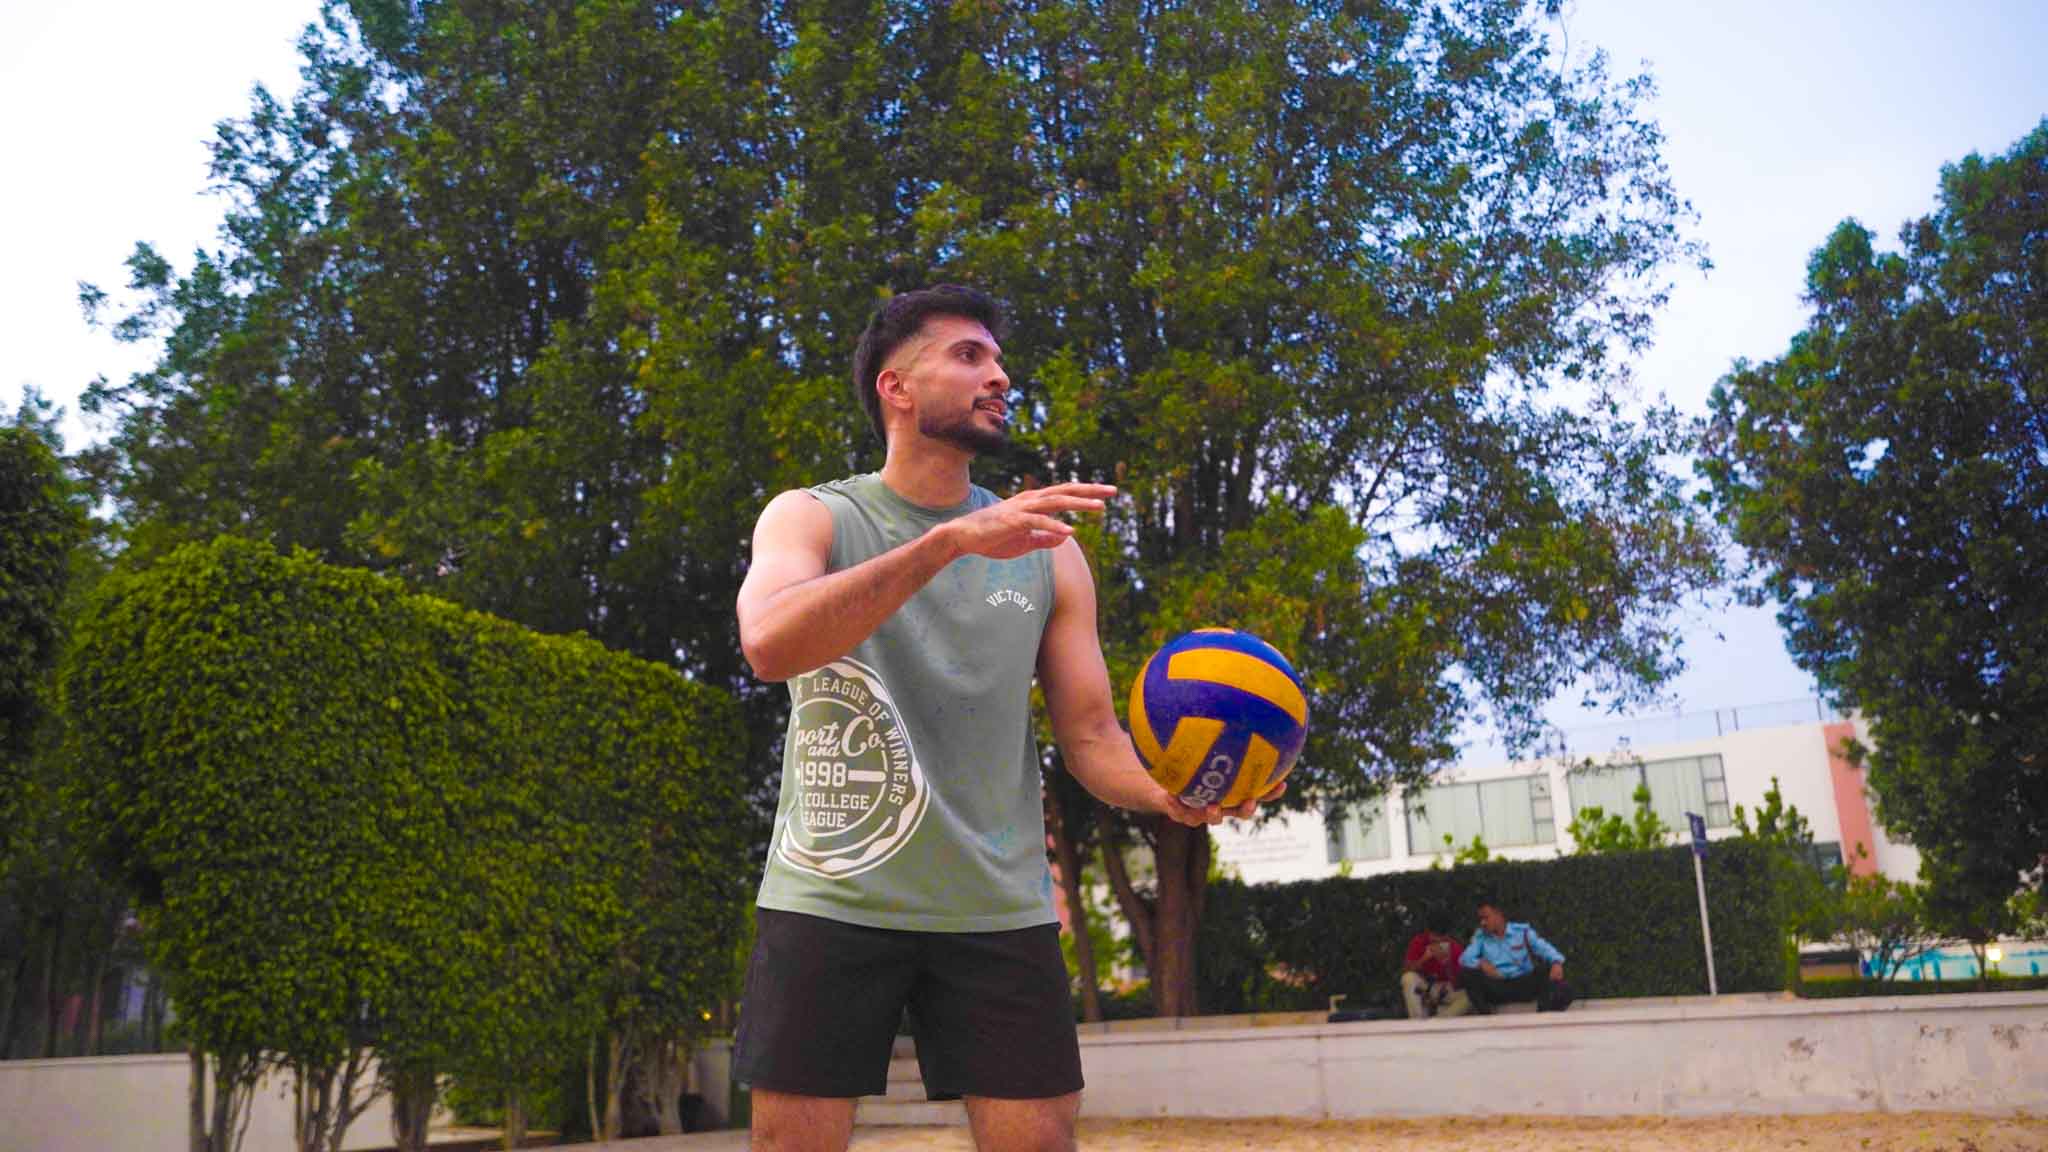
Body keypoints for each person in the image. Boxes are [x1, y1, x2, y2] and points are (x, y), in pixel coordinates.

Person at [731, 285, 1283, 1152]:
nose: (1000, 375)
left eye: (998, 359)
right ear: (895, 387)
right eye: (968, 355)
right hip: (832, 893)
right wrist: (946, 541)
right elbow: (768, 643)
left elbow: (1093, 738)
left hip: (995, 907)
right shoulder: (812, 516)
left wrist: (1169, 793)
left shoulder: (1049, 555)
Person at [1458, 897, 1573, 1013]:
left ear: (1498, 914)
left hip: (1522, 982)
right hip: (1497, 985)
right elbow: (1464, 958)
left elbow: (1544, 948)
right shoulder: (1481, 937)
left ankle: (1542, 1014)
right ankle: (1486, 1015)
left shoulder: (1521, 932)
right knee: (1468, 974)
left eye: (1486, 918)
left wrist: (1556, 962)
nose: (1482, 923)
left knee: (1546, 971)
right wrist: (1480, 964)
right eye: (1481, 919)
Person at [1399, 916, 1470, 1019]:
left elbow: (1459, 983)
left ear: (1446, 936)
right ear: (1429, 932)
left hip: (1444, 989)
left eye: (1441, 937)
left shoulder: (1454, 947)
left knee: (1469, 997)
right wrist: (1424, 958)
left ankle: (1438, 1021)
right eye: (1434, 936)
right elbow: (1406, 970)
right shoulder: (1419, 941)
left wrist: (1447, 963)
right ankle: (1416, 1021)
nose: (1437, 940)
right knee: (1408, 978)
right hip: (1424, 986)